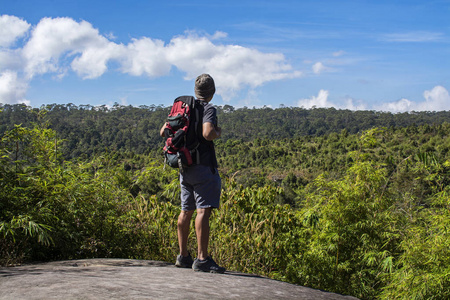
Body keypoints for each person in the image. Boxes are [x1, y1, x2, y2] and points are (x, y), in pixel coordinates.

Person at [159, 74, 225, 273]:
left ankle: (183, 256)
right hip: (203, 166)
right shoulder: (208, 108)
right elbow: (207, 133)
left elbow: (164, 132)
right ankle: (202, 258)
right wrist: (218, 132)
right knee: (203, 210)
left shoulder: (185, 108)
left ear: (196, 91)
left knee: (185, 210)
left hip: (184, 166)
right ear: (212, 92)